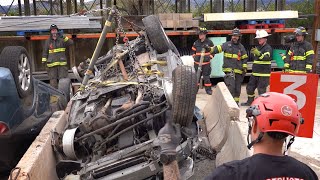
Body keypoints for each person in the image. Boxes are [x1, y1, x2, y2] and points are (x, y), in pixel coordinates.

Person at [159, 92, 318, 180]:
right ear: (293, 130)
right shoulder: (307, 174)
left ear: (254, 125)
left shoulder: (231, 174)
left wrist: (169, 155)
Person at [205, 28, 248, 105]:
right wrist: (209, 49)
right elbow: (218, 49)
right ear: (231, 36)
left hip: (239, 72)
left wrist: (244, 67)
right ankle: (230, 104)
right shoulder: (227, 45)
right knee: (231, 88)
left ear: (239, 37)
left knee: (237, 89)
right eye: (233, 36)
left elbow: (244, 58)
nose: (235, 37)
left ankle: (236, 103)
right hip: (229, 71)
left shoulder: (241, 47)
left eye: (236, 36)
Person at [241, 30, 273, 106]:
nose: (259, 40)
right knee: (249, 88)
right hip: (255, 73)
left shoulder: (268, 48)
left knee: (261, 91)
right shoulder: (258, 47)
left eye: (260, 38)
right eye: (258, 39)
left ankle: (263, 105)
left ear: (265, 38)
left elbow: (266, 57)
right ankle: (250, 102)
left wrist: (258, 54)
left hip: (264, 74)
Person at [42, 24, 73, 88]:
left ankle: (64, 96)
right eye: (52, 30)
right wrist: (44, 62)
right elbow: (45, 52)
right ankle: (55, 97)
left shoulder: (62, 40)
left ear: (57, 31)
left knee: (63, 81)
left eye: (55, 30)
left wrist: (64, 37)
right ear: (51, 32)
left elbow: (71, 43)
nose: (54, 32)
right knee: (53, 82)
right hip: (51, 65)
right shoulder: (48, 41)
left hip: (62, 64)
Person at [191, 27, 214, 95]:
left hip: (206, 64)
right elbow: (193, 51)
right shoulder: (196, 43)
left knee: (206, 77)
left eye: (201, 34)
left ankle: (208, 90)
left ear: (204, 35)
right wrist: (194, 57)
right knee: (196, 78)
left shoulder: (209, 42)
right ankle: (195, 90)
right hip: (197, 64)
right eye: (199, 34)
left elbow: (213, 51)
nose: (199, 36)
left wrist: (209, 57)